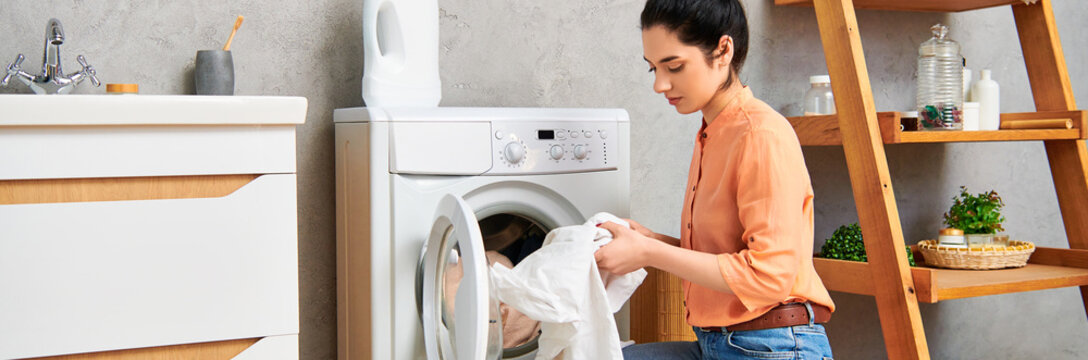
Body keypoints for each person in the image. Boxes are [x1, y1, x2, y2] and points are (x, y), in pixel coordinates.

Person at [593, 0, 836, 359]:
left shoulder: (760, 134)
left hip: (775, 346)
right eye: (653, 69)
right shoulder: (714, 132)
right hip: (718, 344)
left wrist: (650, 252)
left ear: (723, 50)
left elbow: (769, 276)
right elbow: (724, 257)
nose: (661, 84)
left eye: (674, 66)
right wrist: (651, 240)